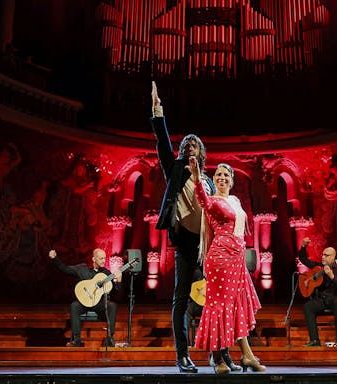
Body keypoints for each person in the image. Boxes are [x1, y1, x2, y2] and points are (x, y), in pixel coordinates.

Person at [150, 81, 216, 373]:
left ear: (201, 153)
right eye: (187, 145)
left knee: (217, 299)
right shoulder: (175, 169)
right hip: (185, 243)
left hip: (208, 245)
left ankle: (218, 352)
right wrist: (157, 110)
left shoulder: (210, 180)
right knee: (181, 299)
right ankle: (182, 355)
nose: (191, 148)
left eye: (195, 146)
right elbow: (163, 143)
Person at [189, 156, 265, 374]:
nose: (222, 178)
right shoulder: (212, 200)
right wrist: (196, 179)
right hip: (221, 256)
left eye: (226, 175)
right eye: (219, 175)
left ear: (231, 181)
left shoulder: (235, 201)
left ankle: (246, 355)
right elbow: (202, 200)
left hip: (237, 258)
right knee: (219, 305)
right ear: (214, 180)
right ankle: (218, 359)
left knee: (236, 305)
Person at [48, 248, 121, 347]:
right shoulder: (82, 268)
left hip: (98, 303)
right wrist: (55, 258)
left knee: (112, 306)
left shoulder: (107, 273)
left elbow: (116, 292)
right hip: (84, 303)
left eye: (104, 258)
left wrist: (119, 281)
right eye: (101, 258)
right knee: (74, 306)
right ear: (94, 259)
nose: (104, 260)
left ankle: (109, 338)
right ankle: (76, 340)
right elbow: (65, 269)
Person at [298, 237, 337, 347]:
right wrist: (303, 246)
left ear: (334, 257)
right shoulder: (319, 267)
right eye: (323, 254)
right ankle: (315, 340)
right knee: (308, 306)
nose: (323, 257)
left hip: (336, 297)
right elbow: (303, 259)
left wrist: (332, 276)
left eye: (326, 255)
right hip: (322, 299)